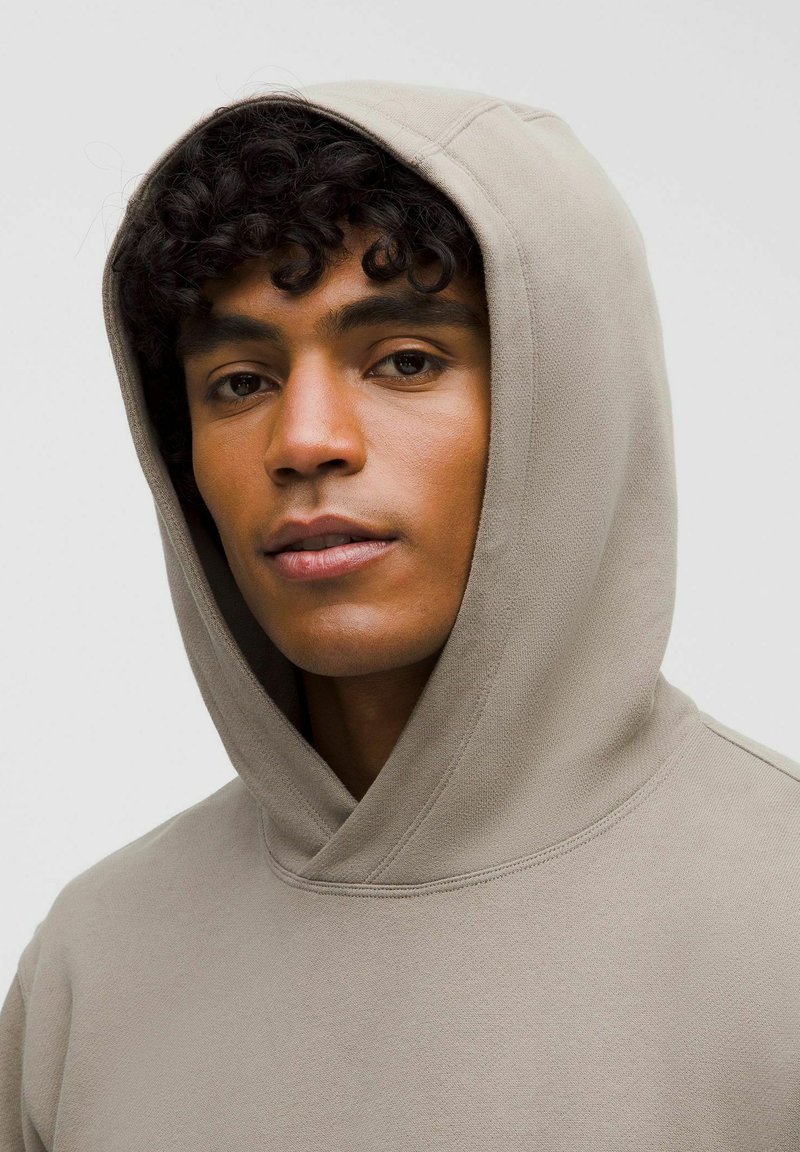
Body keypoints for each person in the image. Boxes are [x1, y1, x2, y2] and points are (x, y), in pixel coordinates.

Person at [1, 79, 798, 1150]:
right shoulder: (92, 969)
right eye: (238, 381)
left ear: (567, 401)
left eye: (404, 362)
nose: (305, 439)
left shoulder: (778, 921)